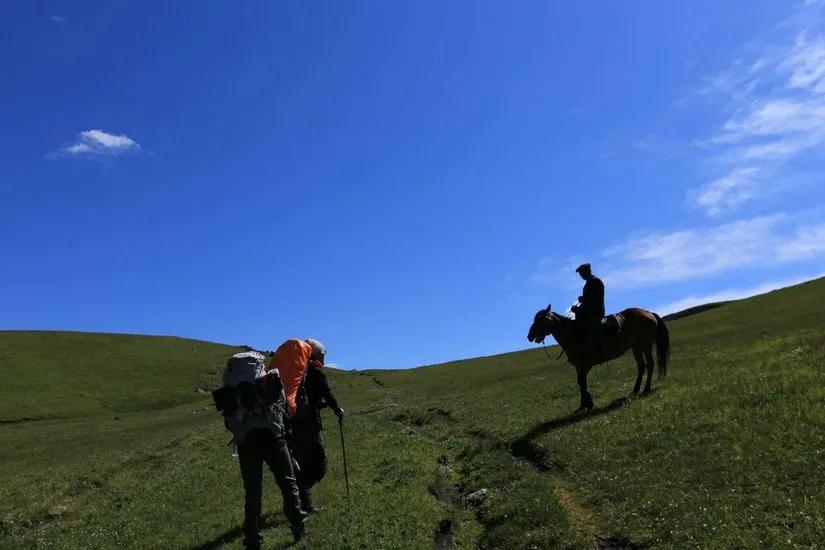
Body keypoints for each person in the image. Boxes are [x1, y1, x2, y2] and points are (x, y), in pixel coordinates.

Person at [222, 352, 307, 548]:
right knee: (288, 482)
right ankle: (297, 525)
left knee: (252, 492)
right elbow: (283, 408)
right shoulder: (270, 379)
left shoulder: (232, 387)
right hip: (273, 438)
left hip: (247, 442)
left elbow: (228, 421)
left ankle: (252, 539)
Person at [290, 338, 344, 514]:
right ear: (316, 355)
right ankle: (304, 502)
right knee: (318, 466)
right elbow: (327, 394)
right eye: (323, 354)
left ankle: (300, 501)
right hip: (311, 425)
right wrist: (337, 409)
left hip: (293, 424)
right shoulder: (316, 373)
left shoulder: (296, 373)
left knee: (301, 461)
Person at [571, 263, 606, 356]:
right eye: (580, 275)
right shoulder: (587, 284)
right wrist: (578, 308)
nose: (581, 276)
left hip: (596, 312)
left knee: (590, 327)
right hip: (588, 312)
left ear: (588, 272)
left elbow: (598, 300)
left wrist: (583, 300)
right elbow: (587, 302)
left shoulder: (596, 281)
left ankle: (600, 349)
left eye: (582, 273)